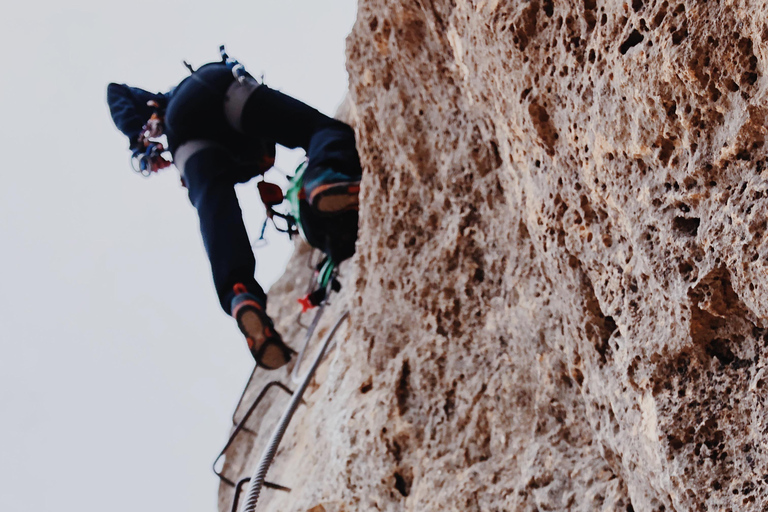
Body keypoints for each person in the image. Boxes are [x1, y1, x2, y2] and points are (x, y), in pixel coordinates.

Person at [107, 52, 362, 370]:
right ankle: (326, 172)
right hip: (213, 90)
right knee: (321, 131)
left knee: (215, 212)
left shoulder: (171, 115)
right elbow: (115, 89)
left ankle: (239, 292)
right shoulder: (255, 144)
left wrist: (140, 141)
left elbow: (116, 92)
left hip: (184, 133)